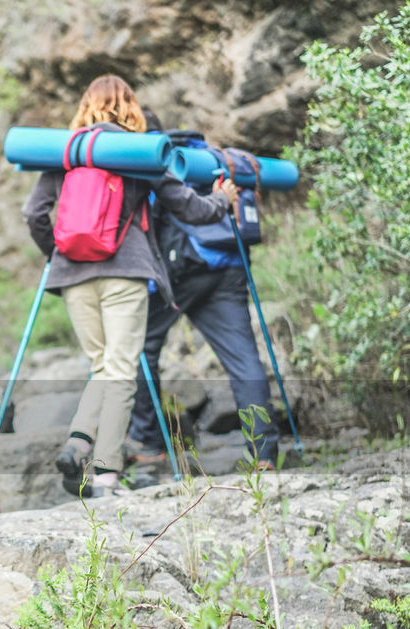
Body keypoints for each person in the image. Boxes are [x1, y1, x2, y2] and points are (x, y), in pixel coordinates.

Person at [22, 74, 239, 497]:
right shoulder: (137, 153)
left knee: (102, 365)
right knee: (121, 370)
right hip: (125, 273)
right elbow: (188, 208)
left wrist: (58, 255)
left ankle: (78, 442)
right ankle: (105, 474)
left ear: (85, 106)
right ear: (131, 108)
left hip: (73, 277)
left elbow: (34, 214)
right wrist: (223, 200)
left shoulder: (65, 154)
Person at [127, 116, 279, 470]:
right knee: (243, 359)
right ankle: (264, 454)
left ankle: (149, 443)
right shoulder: (207, 156)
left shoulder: (149, 159)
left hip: (181, 272)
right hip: (228, 269)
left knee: (139, 347)